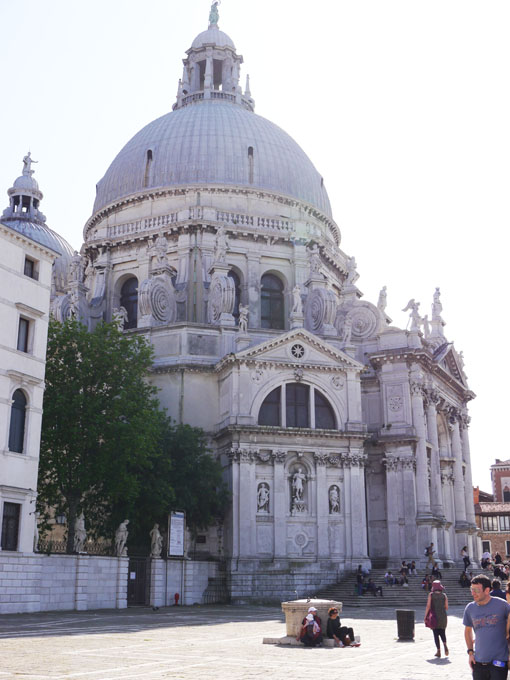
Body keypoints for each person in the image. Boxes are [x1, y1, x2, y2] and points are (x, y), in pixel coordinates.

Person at [464, 574, 510, 678]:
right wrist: (470, 653)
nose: (473, 593)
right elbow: (467, 631)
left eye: (477, 590)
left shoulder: (502, 605)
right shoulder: (470, 608)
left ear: (487, 590)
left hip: (499, 663)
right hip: (478, 663)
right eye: (472, 589)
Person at [424, 580, 449, 658]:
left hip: (435, 616)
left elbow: (428, 606)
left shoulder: (431, 595)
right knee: (442, 632)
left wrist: (425, 616)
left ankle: (438, 651)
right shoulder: (444, 595)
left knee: (435, 634)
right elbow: (447, 607)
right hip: (443, 616)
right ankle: (445, 644)